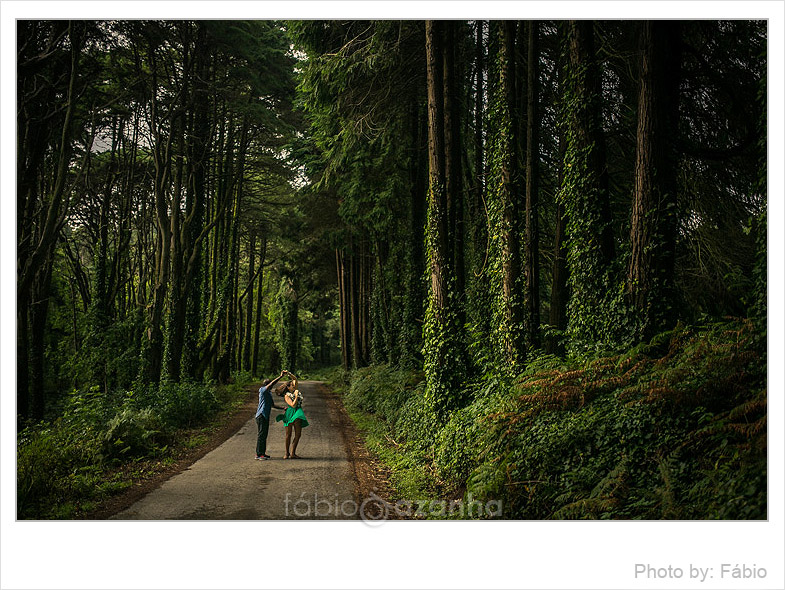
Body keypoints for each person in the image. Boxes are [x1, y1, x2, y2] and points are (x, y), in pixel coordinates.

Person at [275, 371, 309, 459]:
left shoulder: (294, 390)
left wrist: (289, 373)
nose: (294, 386)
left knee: (298, 434)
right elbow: (293, 405)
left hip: (298, 412)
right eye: (292, 386)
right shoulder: (287, 395)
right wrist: (296, 396)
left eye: (294, 385)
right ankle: (287, 453)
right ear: (288, 387)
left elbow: (295, 379)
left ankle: (293, 453)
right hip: (290, 412)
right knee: (288, 434)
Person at [255, 370, 286, 460]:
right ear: (266, 385)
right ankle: (258, 454)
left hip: (265, 416)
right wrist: (280, 377)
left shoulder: (268, 394)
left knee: (264, 435)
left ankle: (262, 453)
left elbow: (273, 405)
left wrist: (283, 408)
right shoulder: (262, 390)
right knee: (261, 435)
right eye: (268, 384)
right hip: (261, 415)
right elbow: (272, 384)